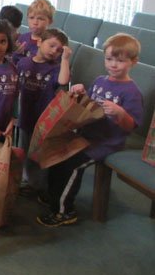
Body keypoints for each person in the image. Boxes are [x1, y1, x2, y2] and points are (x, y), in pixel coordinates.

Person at [38, 33, 143, 226]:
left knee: (71, 165)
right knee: (56, 156)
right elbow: (89, 107)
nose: (113, 65)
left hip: (106, 142)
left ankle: (64, 211)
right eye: (109, 59)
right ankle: (54, 196)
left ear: (133, 62)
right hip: (86, 134)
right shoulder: (100, 81)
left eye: (120, 61)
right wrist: (81, 94)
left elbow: (132, 125)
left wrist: (120, 113)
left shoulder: (132, 92)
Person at [17, 28, 71, 196]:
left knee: (38, 153)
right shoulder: (25, 62)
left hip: (44, 118)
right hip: (26, 113)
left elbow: (63, 81)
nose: (54, 51)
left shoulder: (55, 68)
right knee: (25, 148)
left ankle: (37, 186)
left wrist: (65, 59)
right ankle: (28, 180)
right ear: (39, 42)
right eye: (51, 45)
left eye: (59, 50)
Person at [13, 0, 54, 64]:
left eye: (40, 19)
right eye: (31, 18)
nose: (35, 22)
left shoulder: (52, 44)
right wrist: (16, 53)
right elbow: (14, 62)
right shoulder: (22, 38)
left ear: (50, 21)